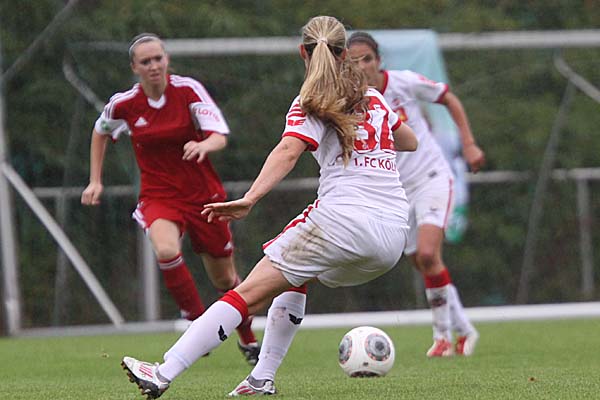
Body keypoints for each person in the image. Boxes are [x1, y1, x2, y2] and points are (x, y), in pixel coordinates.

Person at [121, 16, 417, 399]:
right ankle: (261, 377)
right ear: (345, 54)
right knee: (296, 276)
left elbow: (288, 150)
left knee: (247, 293)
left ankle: (162, 372)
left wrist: (250, 197)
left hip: (343, 220)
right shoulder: (373, 97)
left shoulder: (311, 101)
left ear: (302, 53)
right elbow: (408, 141)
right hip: (393, 236)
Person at [81, 33, 260, 364]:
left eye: (158, 59)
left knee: (224, 279)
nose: (153, 66)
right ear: (134, 68)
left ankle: (248, 339)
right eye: (145, 61)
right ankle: (196, 323)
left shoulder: (188, 90)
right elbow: (100, 131)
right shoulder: (124, 104)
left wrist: (204, 144)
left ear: (167, 60)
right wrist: (95, 180)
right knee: (165, 249)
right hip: (159, 195)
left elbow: (219, 136)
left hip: (203, 196)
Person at [348, 31, 485, 357]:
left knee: (427, 254)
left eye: (367, 59)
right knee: (424, 263)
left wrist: (468, 143)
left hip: (431, 177)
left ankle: (442, 337)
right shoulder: (350, 101)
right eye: (354, 62)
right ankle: (465, 329)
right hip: (397, 191)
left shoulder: (404, 82)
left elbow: (448, 98)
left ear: (379, 60)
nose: (362, 66)